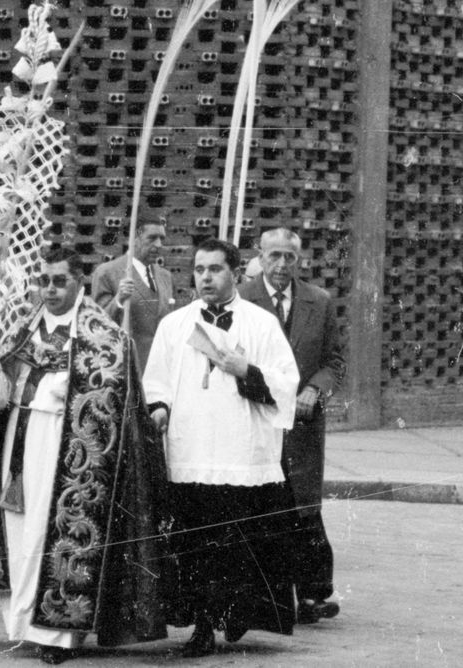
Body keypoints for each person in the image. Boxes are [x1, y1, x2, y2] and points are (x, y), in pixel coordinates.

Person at [0, 247, 168, 664]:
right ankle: (23, 624)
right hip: (20, 436)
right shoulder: (22, 329)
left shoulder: (103, 336)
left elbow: (113, 399)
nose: (49, 289)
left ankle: (60, 633)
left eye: (59, 280)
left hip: (67, 447)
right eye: (43, 280)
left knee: (58, 529)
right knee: (20, 531)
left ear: (79, 283)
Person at [143, 237, 299, 657]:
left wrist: (246, 369)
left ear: (234, 273)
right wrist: (158, 409)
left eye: (215, 269)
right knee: (195, 546)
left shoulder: (261, 324)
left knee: (236, 545)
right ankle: (200, 625)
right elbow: (155, 381)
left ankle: (235, 614)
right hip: (191, 452)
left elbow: (287, 383)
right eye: (199, 270)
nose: (206, 277)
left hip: (240, 454)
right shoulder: (174, 325)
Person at [238, 227, 346, 625]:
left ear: (300, 260)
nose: (282, 264)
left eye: (290, 257)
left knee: (304, 508)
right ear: (261, 256)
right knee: (256, 507)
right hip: (254, 419)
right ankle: (258, 600)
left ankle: (315, 595)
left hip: (301, 425)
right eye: (274, 256)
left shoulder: (319, 301)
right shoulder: (242, 299)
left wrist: (315, 390)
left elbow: (334, 360)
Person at [90, 214, 177, 372]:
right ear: (133, 238)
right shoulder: (107, 273)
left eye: (161, 238)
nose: (159, 244)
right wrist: (118, 300)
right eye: (152, 238)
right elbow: (97, 325)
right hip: (127, 368)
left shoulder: (166, 276)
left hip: (162, 368)